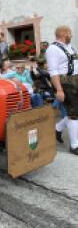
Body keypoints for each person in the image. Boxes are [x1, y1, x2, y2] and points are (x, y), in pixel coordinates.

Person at [46, 25, 78, 154]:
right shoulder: (52, 49)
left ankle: (57, 129)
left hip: (75, 80)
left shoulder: (71, 47)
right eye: (70, 33)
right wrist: (59, 90)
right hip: (65, 83)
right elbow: (53, 71)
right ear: (65, 34)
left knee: (75, 111)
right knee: (74, 113)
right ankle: (75, 145)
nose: (72, 35)